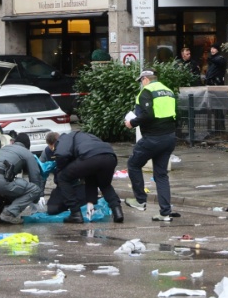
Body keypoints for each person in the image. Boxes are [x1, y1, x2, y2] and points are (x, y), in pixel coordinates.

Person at [125, 69, 179, 222]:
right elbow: (175, 114)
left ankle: (140, 200)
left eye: (141, 81)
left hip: (153, 138)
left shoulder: (146, 92)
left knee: (133, 164)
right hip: (169, 137)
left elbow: (147, 115)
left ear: (145, 79)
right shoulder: (168, 91)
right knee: (161, 175)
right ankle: (165, 212)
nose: (141, 84)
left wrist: (131, 123)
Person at [48, 130, 124, 224]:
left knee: (62, 177)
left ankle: (75, 213)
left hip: (90, 156)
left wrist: (60, 169)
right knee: (105, 185)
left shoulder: (63, 138)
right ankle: (118, 212)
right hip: (110, 156)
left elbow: (61, 154)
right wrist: (90, 201)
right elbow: (90, 179)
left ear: (53, 143)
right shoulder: (87, 136)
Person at [0, 132, 42, 224]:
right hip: (0, 181)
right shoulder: (26, 152)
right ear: (28, 145)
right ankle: (9, 213)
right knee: (35, 189)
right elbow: (35, 175)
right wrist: (36, 197)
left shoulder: (4, 148)